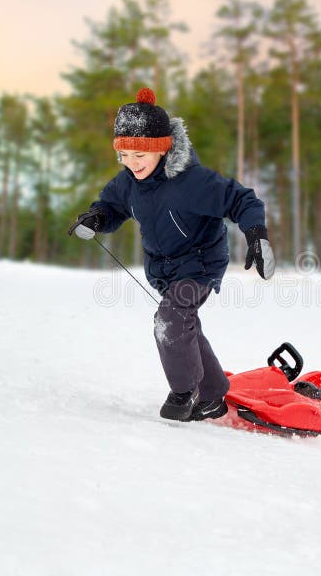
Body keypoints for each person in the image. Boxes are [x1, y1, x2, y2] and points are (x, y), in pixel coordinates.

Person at [68, 88, 275, 422]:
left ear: (161, 148)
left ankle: (185, 391)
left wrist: (255, 234)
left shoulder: (192, 182)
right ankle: (212, 396)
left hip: (200, 264)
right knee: (184, 323)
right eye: (124, 154)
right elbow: (110, 206)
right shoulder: (128, 183)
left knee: (170, 321)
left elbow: (242, 200)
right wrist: (96, 219)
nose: (132, 163)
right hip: (164, 270)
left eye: (140, 155)